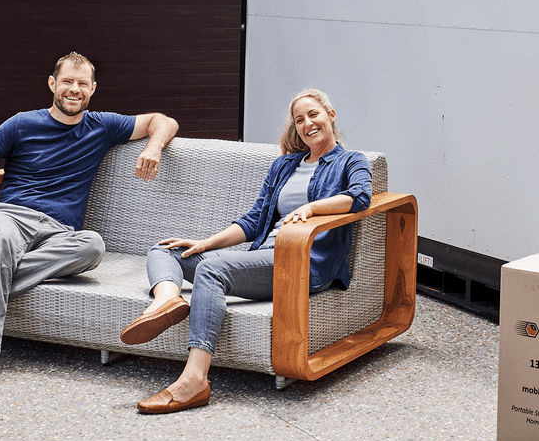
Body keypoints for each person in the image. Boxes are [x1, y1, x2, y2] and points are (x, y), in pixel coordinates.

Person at [0, 52, 179, 397]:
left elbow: (163, 120)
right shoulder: (22, 124)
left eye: (81, 84)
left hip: (60, 232)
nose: (74, 90)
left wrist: (153, 147)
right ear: (52, 84)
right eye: (67, 82)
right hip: (11, 216)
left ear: (92, 89)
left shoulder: (103, 126)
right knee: (0, 241)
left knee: (92, 245)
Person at [120, 88, 370, 413]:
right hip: (261, 257)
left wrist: (313, 208)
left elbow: (360, 196)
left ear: (330, 116)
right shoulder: (285, 165)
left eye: (314, 114)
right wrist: (204, 243)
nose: (307, 123)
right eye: (299, 119)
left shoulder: (351, 161)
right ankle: (167, 300)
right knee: (165, 249)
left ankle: (194, 381)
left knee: (212, 270)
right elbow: (253, 222)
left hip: (300, 263)